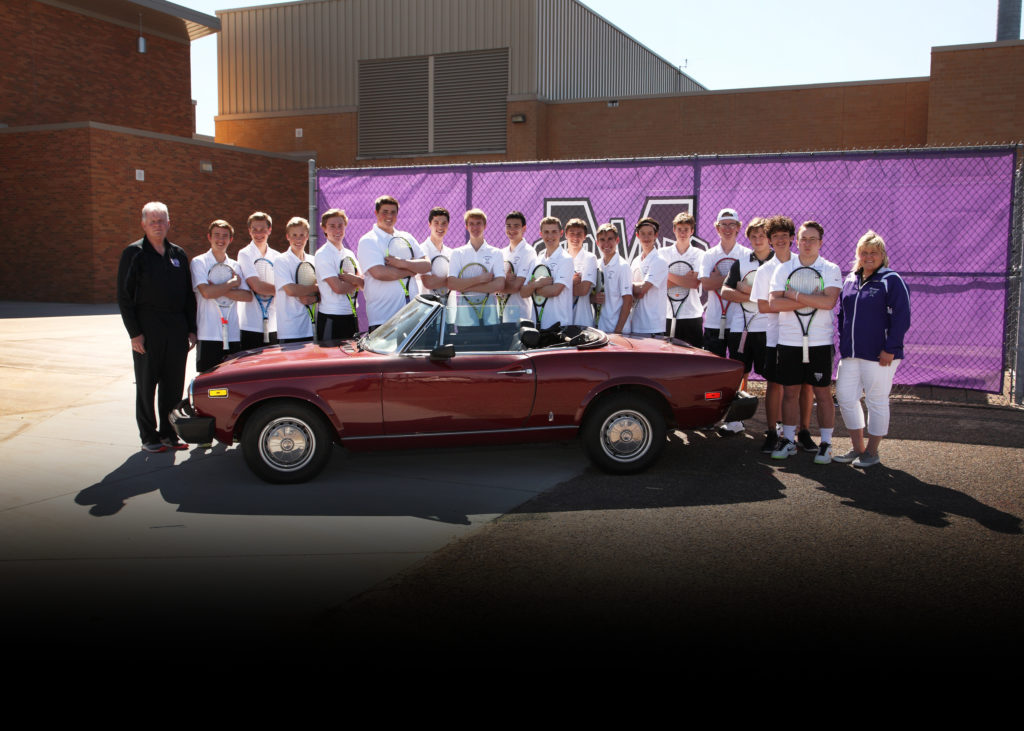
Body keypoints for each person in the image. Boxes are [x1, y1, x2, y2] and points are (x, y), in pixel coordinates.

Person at [116, 201, 197, 453]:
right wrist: (134, 333)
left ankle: (169, 435)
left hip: (176, 327)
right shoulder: (134, 253)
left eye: (162, 221)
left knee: (173, 384)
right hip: (147, 327)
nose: (157, 225)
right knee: (146, 384)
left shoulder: (178, 254)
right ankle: (149, 437)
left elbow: (187, 295)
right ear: (143, 224)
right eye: (152, 221)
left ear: (169, 223)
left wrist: (191, 328)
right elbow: (124, 296)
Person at [833, 231, 911, 467]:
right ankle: (858, 449)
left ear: (882, 255)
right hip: (851, 354)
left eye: (873, 253)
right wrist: (844, 340)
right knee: (846, 398)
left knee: (876, 400)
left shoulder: (891, 280)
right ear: (858, 255)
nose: (868, 257)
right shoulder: (850, 279)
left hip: (880, 355)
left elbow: (902, 317)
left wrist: (891, 347)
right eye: (864, 252)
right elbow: (843, 314)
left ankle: (872, 452)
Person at [769, 221, 843, 464]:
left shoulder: (830, 268)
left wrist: (794, 295)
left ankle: (827, 444)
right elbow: (774, 304)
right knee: (790, 392)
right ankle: (788, 440)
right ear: (796, 241)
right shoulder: (783, 268)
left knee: (822, 393)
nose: (807, 243)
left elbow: (829, 302)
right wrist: (813, 299)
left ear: (820, 243)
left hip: (820, 343)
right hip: (788, 341)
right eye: (803, 239)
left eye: (813, 239)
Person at [752, 215, 816, 453]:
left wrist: (787, 302)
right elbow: (763, 306)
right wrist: (800, 303)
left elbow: (818, 299)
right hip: (775, 338)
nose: (780, 240)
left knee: (806, 386)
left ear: (792, 239)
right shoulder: (765, 270)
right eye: (775, 236)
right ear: (769, 240)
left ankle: (804, 432)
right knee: (775, 385)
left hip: (805, 337)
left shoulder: (805, 264)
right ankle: (771, 432)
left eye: (784, 236)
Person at [717, 216, 774, 434]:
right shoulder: (741, 263)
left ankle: (775, 424)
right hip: (740, 329)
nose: (758, 239)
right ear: (749, 238)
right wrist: (752, 295)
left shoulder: (777, 263)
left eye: (762, 235)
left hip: (768, 330)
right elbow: (725, 291)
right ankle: (736, 422)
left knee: (773, 379)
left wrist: (746, 290)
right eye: (754, 236)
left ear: (768, 238)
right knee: (740, 374)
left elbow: (774, 297)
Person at [357, 195, 430, 332]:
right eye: (385, 212)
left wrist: (401, 263)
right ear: (376, 213)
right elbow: (379, 273)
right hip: (383, 318)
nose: (389, 216)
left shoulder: (407, 237)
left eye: (393, 212)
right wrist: (411, 271)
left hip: (411, 315)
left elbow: (426, 265)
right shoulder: (368, 240)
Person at [191, 219, 252, 373]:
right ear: (209, 237)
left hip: (232, 335)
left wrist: (217, 289)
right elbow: (206, 293)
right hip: (208, 335)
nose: (220, 239)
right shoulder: (199, 262)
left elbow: (247, 296)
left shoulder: (235, 265)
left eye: (225, 236)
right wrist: (232, 283)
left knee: (232, 381)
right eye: (216, 235)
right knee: (208, 384)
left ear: (230, 239)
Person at [700, 208, 752, 356]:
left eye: (732, 224)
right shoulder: (709, 255)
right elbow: (706, 285)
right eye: (723, 224)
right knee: (714, 368)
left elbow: (749, 287)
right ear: (717, 228)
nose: (728, 229)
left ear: (739, 227)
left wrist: (718, 279)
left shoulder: (747, 255)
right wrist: (735, 278)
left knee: (739, 365)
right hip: (713, 322)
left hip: (739, 322)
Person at [447, 209, 506, 326]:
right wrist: (480, 280)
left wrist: (464, 286)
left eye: (478, 223)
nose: (475, 227)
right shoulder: (457, 253)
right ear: (466, 227)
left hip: (490, 318)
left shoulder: (496, 253)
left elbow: (500, 285)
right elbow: (452, 284)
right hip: (464, 319)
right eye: (471, 224)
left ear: (485, 226)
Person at [315, 208, 363, 341]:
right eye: (332, 226)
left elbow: (364, 284)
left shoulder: (349, 254)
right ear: (324, 229)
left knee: (352, 359)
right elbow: (338, 288)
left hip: (351, 316)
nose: (337, 230)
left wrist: (353, 280)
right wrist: (355, 281)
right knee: (330, 361)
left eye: (340, 226)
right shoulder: (322, 254)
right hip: (331, 317)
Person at [520, 216, 573, 330]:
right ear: (541, 234)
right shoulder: (537, 260)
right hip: (536, 326)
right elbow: (524, 292)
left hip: (559, 325)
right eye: (546, 232)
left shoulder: (566, 259)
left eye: (554, 232)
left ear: (561, 233)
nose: (550, 236)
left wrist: (533, 288)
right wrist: (536, 284)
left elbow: (555, 291)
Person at [661, 211, 704, 346]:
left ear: (692, 231)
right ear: (674, 230)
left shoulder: (700, 254)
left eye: (686, 230)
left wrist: (667, 274)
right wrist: (683, 279)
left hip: (692, 315)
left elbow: (694, 283)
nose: (683, 233)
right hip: (667, 315)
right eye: (680, 229)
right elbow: (661, 284)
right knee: (669, 360)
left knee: (694, 359)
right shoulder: (662, 253)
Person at [237, 211, 279, 350]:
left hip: (274, 325)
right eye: (254, 229)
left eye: (262, 229)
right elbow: (257, 286)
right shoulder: (244, 254)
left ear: (269, 230)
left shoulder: (277, 257)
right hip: (249, 325)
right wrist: (286, 290)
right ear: (249, 231)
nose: (258, 233)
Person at [273, 217, 318, 344]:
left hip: (311, 328)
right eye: (294, 235)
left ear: (307, 236)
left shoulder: (313, 260)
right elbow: (291, 290)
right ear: (288, 236)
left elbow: (323, 292)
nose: (298, 239)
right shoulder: (281, 260)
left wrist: (315, 298)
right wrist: (315, 288)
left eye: (302, 235)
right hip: (290, 330)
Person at [628, 217, 669, 337]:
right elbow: (633, 293)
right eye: (643, 234)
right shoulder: (635, 261)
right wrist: (634, 288)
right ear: (637, 235)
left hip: (653, 327)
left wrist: (628, 286)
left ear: (656, 235)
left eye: (650, 234)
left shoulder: (660, 261)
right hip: (635, 324)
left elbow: (641, 291)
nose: (646, 238)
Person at [591, 223, 633, 334]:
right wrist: (593, 298)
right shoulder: (596, 264)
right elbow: (590, 296)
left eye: (610, 239)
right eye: (602, 240)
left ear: (617, 240)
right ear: (597, 242)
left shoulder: (623, 266)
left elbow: (628, 301)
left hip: (618, 332)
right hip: (600, 330)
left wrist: (618, 331)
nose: (606, 244)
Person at [500, 211, 537, 323]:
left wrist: (497, 286)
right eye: (509, 226)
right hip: (502, 315)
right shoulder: (502, 253)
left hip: (522, 314)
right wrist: (504, 281)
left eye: (516, 226)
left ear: (524, 228)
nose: (512, 230)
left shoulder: (528, 252)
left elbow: (516, 286)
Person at [565, 218, 598, 327]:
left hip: (583, 321)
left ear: (584, 236)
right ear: (566, 235)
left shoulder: (590, 258)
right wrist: (572, 282)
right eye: (572, 233)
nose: (575, 237)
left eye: (579, 234)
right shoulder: (561, 258)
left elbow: (583, 290)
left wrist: (560, 287)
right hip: (563, 319)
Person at [419, 207, 453, 303]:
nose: (440, 227)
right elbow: (429, 283)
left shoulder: (450, 253)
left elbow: (456, 283)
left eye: (444, 223)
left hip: (448, 307)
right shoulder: (422, 250)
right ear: (429, 224)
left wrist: (438, 280)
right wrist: (450, 281)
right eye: (436, 223)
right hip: (428, 307)